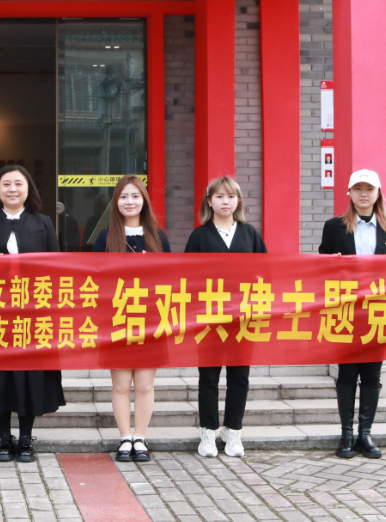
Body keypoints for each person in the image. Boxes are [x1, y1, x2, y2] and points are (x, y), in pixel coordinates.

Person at [0, 165, 65, 463]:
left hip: (33, 315)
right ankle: (4, 438)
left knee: (30, 375)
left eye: (18, 183)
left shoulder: (43, 222)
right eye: (6, 184)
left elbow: (57, 267)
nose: (12, 189)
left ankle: (26, 438)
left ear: (28, 189)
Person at [319, 169, 386, 460]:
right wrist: (331, 264)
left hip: (379, 311)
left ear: (378, 193)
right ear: (349, 193)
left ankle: (365, 434)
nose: (364, 194)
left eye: (369, 189)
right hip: (346, 309)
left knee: (371, 374)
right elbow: (321, 267)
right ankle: (346, 434)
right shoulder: (334, 227)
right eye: (358, 189)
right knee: (347, 373)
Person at [184, 176, 267, 459]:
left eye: (230, 196)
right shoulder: (199, 236)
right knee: (208, 375)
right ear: (209, 201)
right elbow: (187, 277)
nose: (225, 201)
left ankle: (233, 430)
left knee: (239, 376)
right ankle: (208, 431)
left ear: (238, 201)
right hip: (209, 318)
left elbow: (266, 272)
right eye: (219, 196)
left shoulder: (250, 234)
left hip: (243, 317)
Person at [93, 175, 170, 463]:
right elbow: (95, 279)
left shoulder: (158, 237)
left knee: (145, 385)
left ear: (144, 201)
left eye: (135, 196)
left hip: (150, 319)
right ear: (116, 202)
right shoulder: (106, 237)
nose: (129, 202)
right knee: (121, 385)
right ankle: (125, 437)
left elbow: (171, 279)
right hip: (118, 319)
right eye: (124, 196)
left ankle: (140, 437)